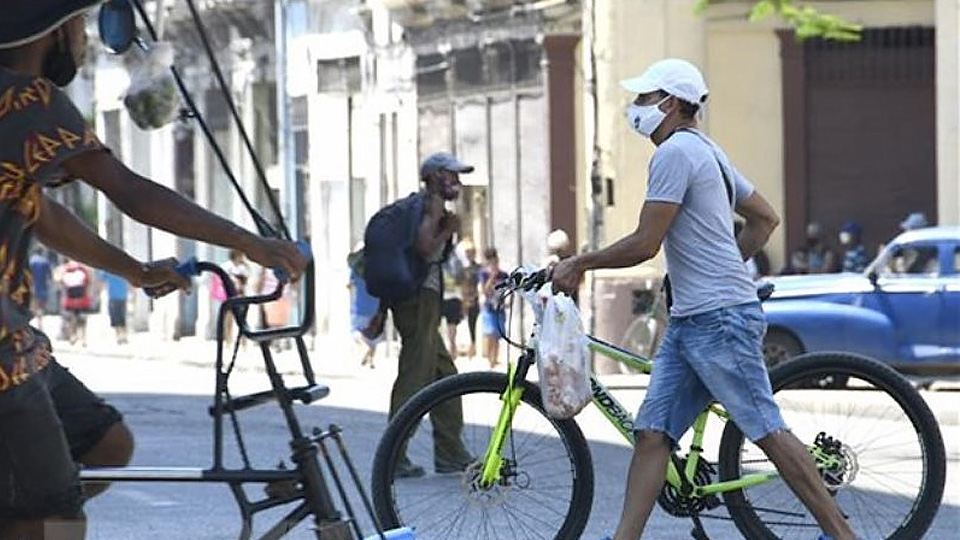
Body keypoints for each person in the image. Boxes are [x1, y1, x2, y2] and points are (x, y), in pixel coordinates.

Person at [0, 4, 308, 539]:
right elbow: (130, 191)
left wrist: (135, 270)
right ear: (56, 31)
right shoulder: (31, 101)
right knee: (58, 518)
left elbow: (42, 212)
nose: (86, 39)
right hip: (3, 354)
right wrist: (247, 241)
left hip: (18, 337)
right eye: (80, 26)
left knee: (106, 444)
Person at [550, 58, 857, 540]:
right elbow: (765, 219)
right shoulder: (708, 151)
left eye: (644, 98)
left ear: (669, 103)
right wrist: (725, 267)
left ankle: (844, 536)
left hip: (718, 321)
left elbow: (646, 243)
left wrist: (578, 263)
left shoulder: (673, 154)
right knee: (652, 435)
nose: (636, 108)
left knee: (767, 431)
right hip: (694, 321)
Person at [387, 152, 474, 478]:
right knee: (415, 376)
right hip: (419, 299)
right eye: (452, 175)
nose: (458, 182)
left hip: (420, 299)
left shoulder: (424, 204)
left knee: (446, 378)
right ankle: (393, 455)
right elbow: (425, 248)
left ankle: (451, 452)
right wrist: (447, 229)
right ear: (436, 176)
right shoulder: (432, 204)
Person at [347, 243, 383, 368]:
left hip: (360, 306)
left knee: (356, 332)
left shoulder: (356, 269)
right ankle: (371, 360)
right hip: (375, 304)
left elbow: (349, 284)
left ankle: (365, 349)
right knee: (373, 334)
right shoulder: (378, 267)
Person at [478, 247, 508, 369]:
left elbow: (508, 290)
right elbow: (485, 291)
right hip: (488, 307)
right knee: (490, 332)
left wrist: (507, 302)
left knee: (497, 334)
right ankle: (490, 359)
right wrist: (491, 277)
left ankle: (494, 359)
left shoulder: (504, 275)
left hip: (500, 307)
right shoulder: (484, 274)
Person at [58, 260, 93, 347]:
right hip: (82, 299)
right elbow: (89, 282)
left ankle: (73, 336)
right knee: (82, 320)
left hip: (71, 299)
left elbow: (59, 281)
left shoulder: (65, 268)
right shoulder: (84, 269)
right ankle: (82, 338)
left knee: (72, 319)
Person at [221, 248, 249, 345]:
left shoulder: (244, 267)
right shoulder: (226, 266)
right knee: (228, 320)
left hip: (240, 295)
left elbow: (246, 281)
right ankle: (228, 341)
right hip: (229, 295)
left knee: (242, 319)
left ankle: (243, 341)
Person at [441, 249, 465, 358]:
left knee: (451, 324)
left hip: (449, 295)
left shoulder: (444, 258)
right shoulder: (456, 258)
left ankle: (451, 347)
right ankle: (451, 346)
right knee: (452, 324)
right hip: (450, 295)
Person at [459, 240, 482, 359]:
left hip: (477, 298)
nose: (469, 254)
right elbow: (462, 285)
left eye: (471, 252)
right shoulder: (464, 269)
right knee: (468, 323)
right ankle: (470, 347)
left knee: (476, 323)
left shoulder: (479, 268)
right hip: (467, 298)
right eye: (467, 252)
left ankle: (475, 347)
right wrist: (464, 299)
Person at [97, 270, 129, 345]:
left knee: (116, 318)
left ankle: (120, 336)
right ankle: (123, 336)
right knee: (121, 317)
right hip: (122, 296)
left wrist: (99, 292)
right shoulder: (123, 268)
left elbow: (100, 280)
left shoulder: (108, 269)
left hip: (113, 297)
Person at [28, 248, 53, 332]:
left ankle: (31, 324)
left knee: (32, 305)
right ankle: (40, 323)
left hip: (32, 286)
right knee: (40, 306)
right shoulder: (45, 261)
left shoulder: (31, 261)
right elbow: (49, 276)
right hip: (43, 287)